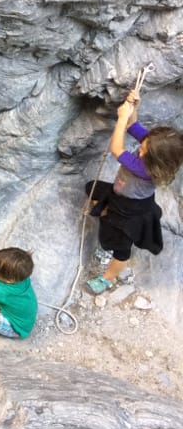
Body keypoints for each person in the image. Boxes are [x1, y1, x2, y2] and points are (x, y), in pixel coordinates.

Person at [85, 88, 183, 295]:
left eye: (143, 150)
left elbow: (117, 149)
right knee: (91, 188)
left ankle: (107, 279)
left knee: (121, 249)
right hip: (119, 195)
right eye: (143, 145)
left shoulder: (146, 169)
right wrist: (134, 108)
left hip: (131, 209)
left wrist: (121, 118)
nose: (140, 149)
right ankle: (106, 219)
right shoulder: (155, 149)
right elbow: (132, 126)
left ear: (157, 160)